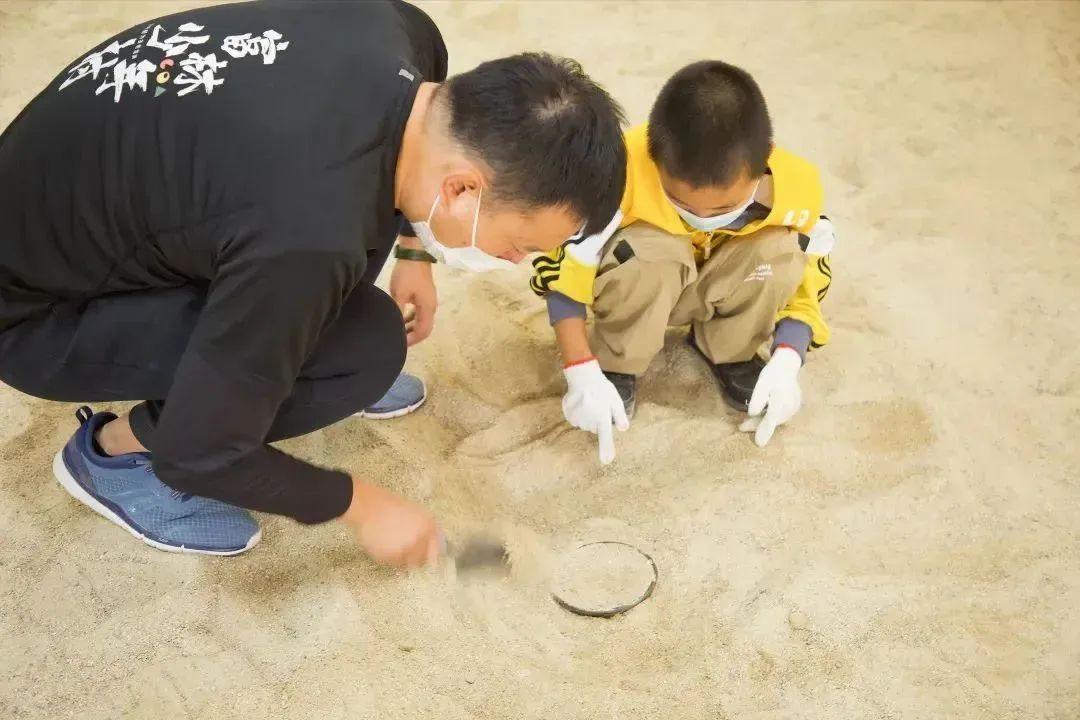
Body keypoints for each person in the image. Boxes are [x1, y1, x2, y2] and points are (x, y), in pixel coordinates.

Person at [0, 0, 626, 564]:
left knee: (346, 221)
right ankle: (112, 455)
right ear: (460, 188)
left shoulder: (401, 33)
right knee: (364, 350)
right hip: (33, 312)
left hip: (101, 204)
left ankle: (287, 332)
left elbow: (378, 176)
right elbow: (203, 449)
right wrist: (358, 504)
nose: (516, 261)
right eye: (518, 244)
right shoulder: (306, 234)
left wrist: (417, 250)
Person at [530, 60, 837, 463]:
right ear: (654, 160)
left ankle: (731, 349)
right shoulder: (616, 171)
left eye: (725, 206)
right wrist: (580, 368)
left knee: (779, 250)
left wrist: (787, 358)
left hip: (728, 285)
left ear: (765, 163)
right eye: (680, 203)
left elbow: (805, 281)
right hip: (642, 285)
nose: (705, 215)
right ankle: (619, 360)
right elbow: (563, 273)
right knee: (651, 249)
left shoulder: (798, 193)